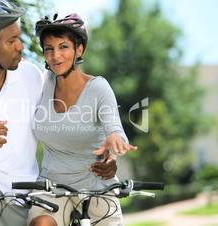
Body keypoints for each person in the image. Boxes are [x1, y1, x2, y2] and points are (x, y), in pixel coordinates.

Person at [0, 1, 118, 226]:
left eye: (19, 38)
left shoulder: (32, 76)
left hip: (24, 187)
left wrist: (107, 154)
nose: (20, 47)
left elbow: (74, 114)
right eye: (11, 41)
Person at [29, 13, 137, 226]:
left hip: (96, 186)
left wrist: (113, 154)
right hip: (51, 186)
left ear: (79, 49)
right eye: (49, 48)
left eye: (63, 47)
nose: (55, 55)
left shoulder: (98, 88)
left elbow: (114, 129)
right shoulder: (42, 83)